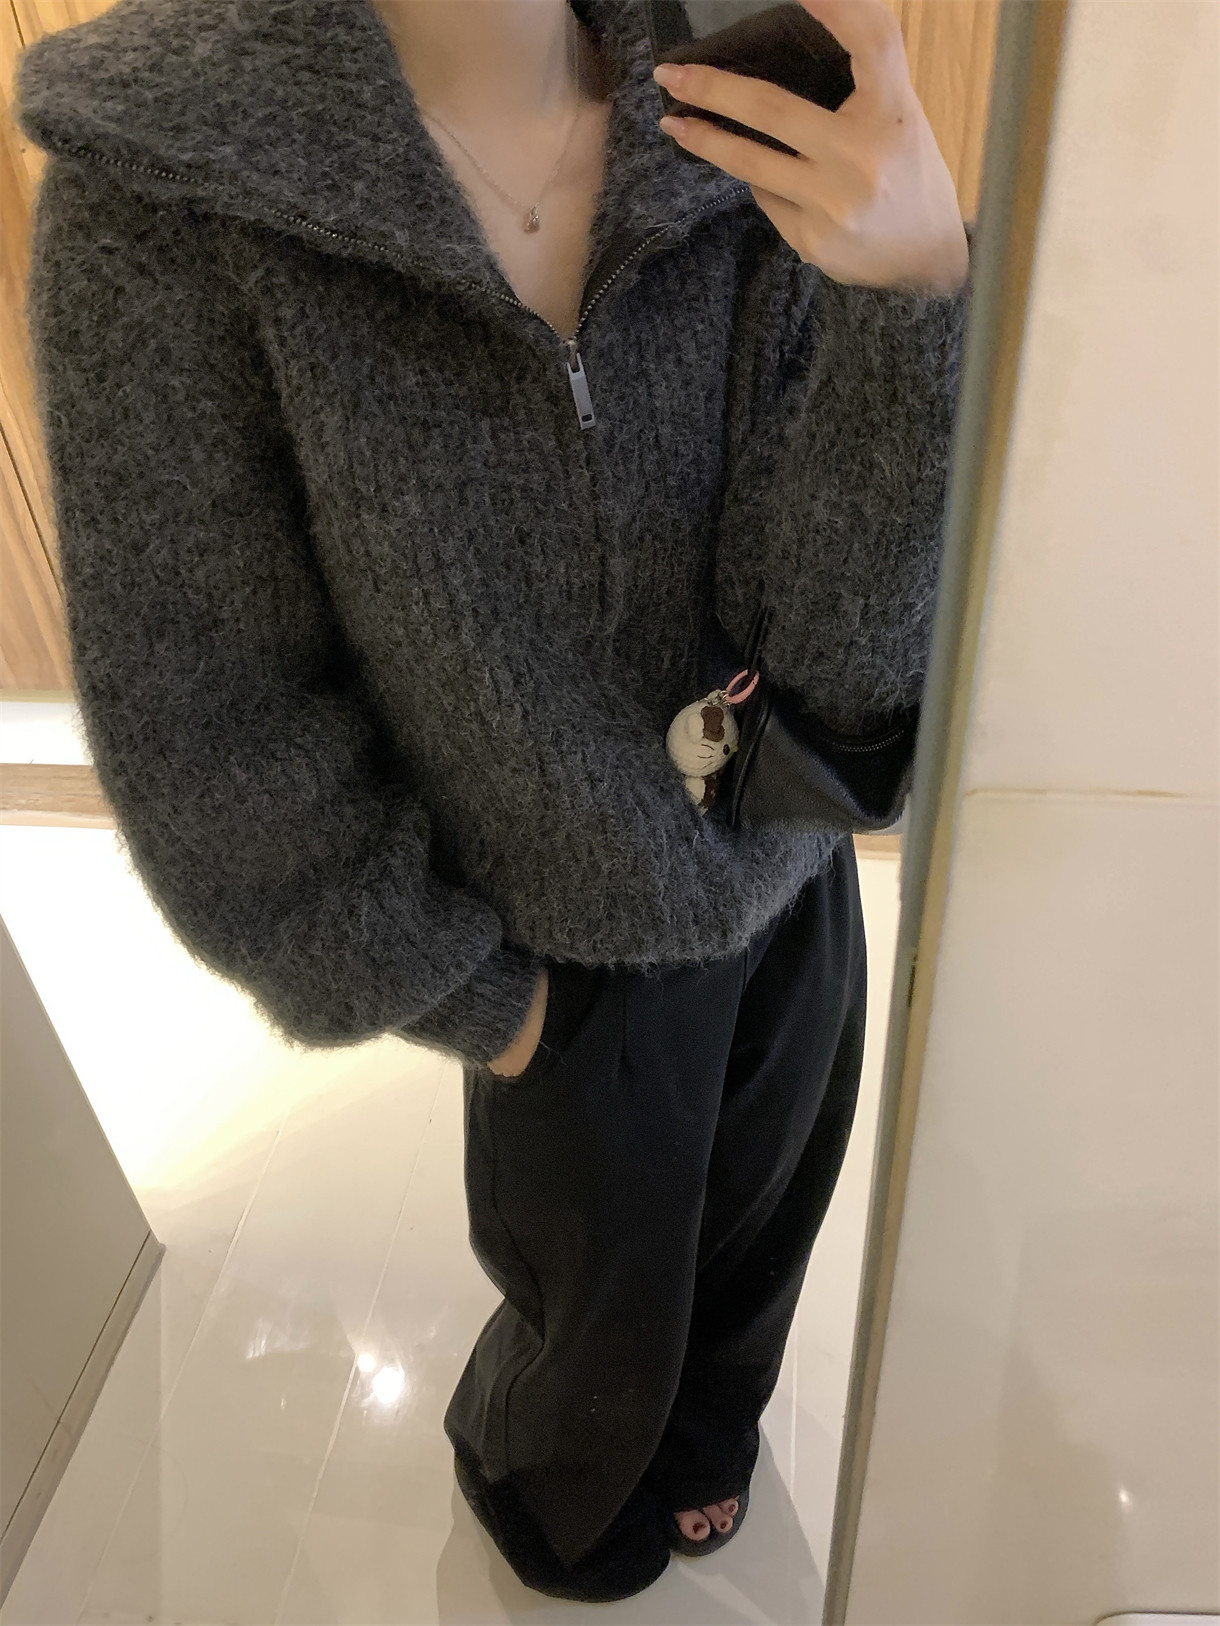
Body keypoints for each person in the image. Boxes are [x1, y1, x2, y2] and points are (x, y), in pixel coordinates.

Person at [15, 0, 969, 1603]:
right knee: (587, 1316)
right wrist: (489, 1005)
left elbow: (843, 662)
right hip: (555, 962)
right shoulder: (169, 189)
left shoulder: (744, 91)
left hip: (793, 875)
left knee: (765, 1222)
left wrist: (914, 301)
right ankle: (549, 1499)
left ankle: (710, 1447)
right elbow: (208, 714)